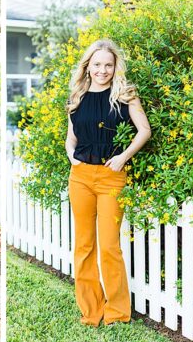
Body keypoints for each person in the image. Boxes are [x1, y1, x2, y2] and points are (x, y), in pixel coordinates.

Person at [65, 39, 151, 326]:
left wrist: (123, 157)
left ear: (116, 68)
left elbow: (144, 131)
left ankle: (116, 312)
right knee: (84, 245)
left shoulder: (125, 95)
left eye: (108, 65)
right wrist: (70, 156)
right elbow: (72, 137)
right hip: (80, 177)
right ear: (87, 66)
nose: (103, 70)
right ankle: (91, 310)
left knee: (109, 247)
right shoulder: (77, 95)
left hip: (111, 177)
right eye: (97, 64)